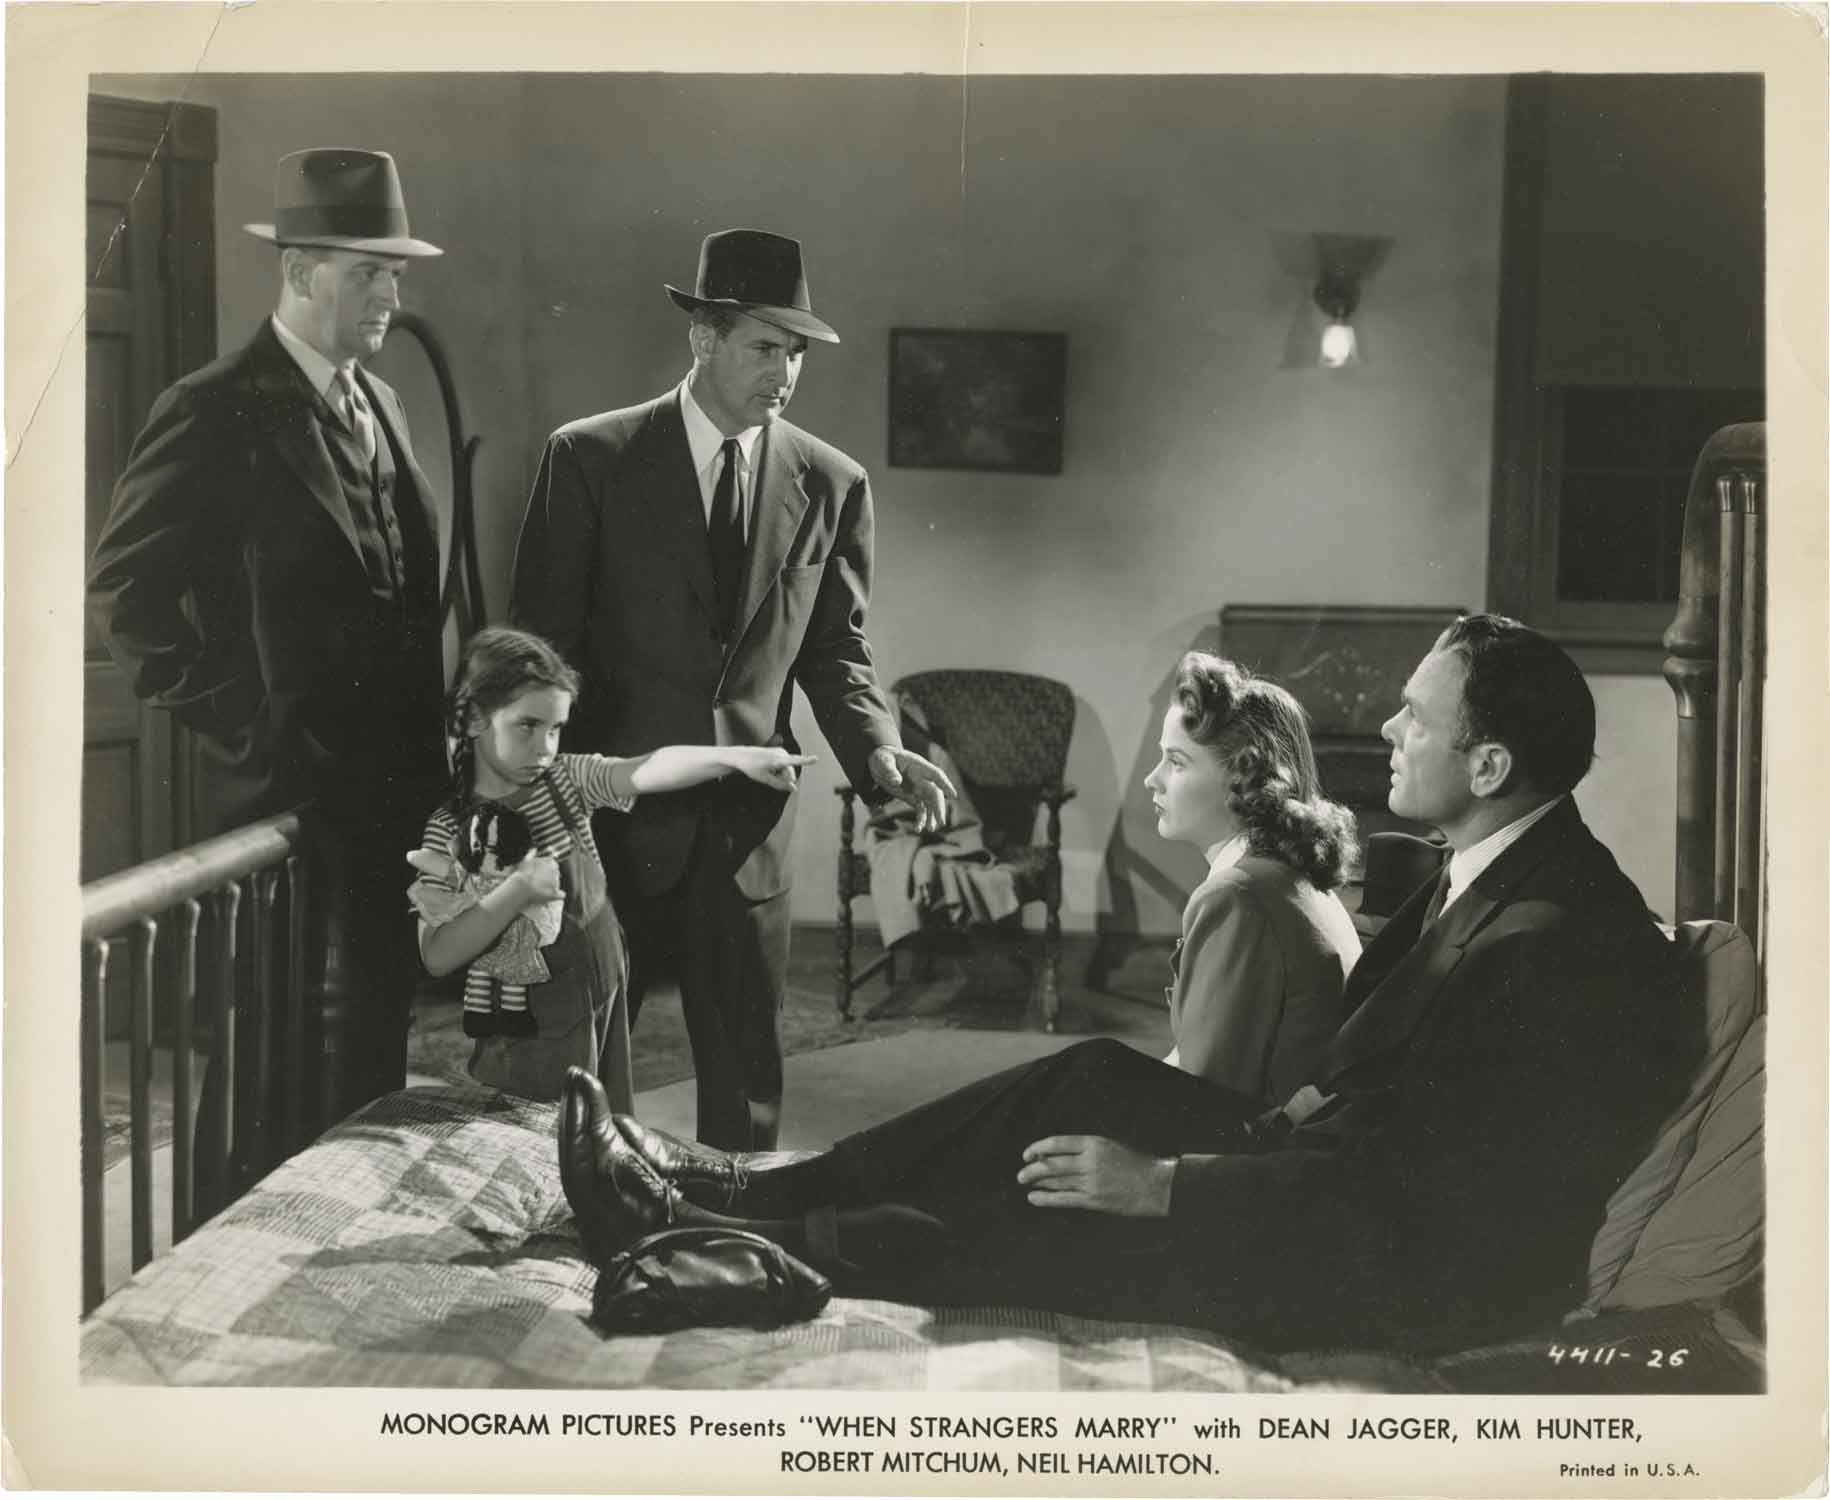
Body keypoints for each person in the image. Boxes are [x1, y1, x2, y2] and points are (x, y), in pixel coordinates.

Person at [559, 615, 1687, 1355]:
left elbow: (1417, 1193)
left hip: (1390, 1272)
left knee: (1034, 1212)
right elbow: (1383, 1077)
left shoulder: (1549, 940)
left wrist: (1166, 1186)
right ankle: (742, 1193)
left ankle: (726, 1236)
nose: (1389, 728)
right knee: (1089, 1078)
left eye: (1417, 718)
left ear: (1488, 766)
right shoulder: (1500, 867)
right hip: (1330, 1183)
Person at [511, 228, 954, 1150]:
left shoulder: (831, 484)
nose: (784, 374)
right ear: (702, 338)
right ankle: (569, 1215)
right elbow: (539, 656)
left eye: (796, 353)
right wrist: (531, 810)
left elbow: (836, 652)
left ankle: (737, 1224)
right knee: (577, 1071)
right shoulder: (590, 459)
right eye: (764, 347)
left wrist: (878, 750)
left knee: (746, 1087)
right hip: (611, 822)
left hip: (746, 828)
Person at [87, 149, 449, 1178]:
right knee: (271, 1070)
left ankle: (342, 1246)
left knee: (369, 1060)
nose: (390, 294)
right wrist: (246, 720)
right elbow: (124, 592)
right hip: (285, 804)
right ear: (298, 272)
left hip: (390, 810)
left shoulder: (384, 407)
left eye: (395, 273)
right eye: (367, 271)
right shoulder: (214, 407)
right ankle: (220, 1253)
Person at [406, 627, 812, 1104]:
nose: (545, 748)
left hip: (601, 996)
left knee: (605, 1123)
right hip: (529, 1031)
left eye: (555, 729)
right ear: (476, 718)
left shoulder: (566, 779)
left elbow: (648, 767)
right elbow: (437, 954)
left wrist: (738, 757)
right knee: (547, 1132)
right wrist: (515, 891)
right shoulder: (449, 829)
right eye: (527, 726)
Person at [1146, 651, 1360, 1104]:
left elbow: (1202, 1099)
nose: (1153, 779)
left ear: (1241, 779)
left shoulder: (1238, 895)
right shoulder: (1281, 874)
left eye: (1176, 762)